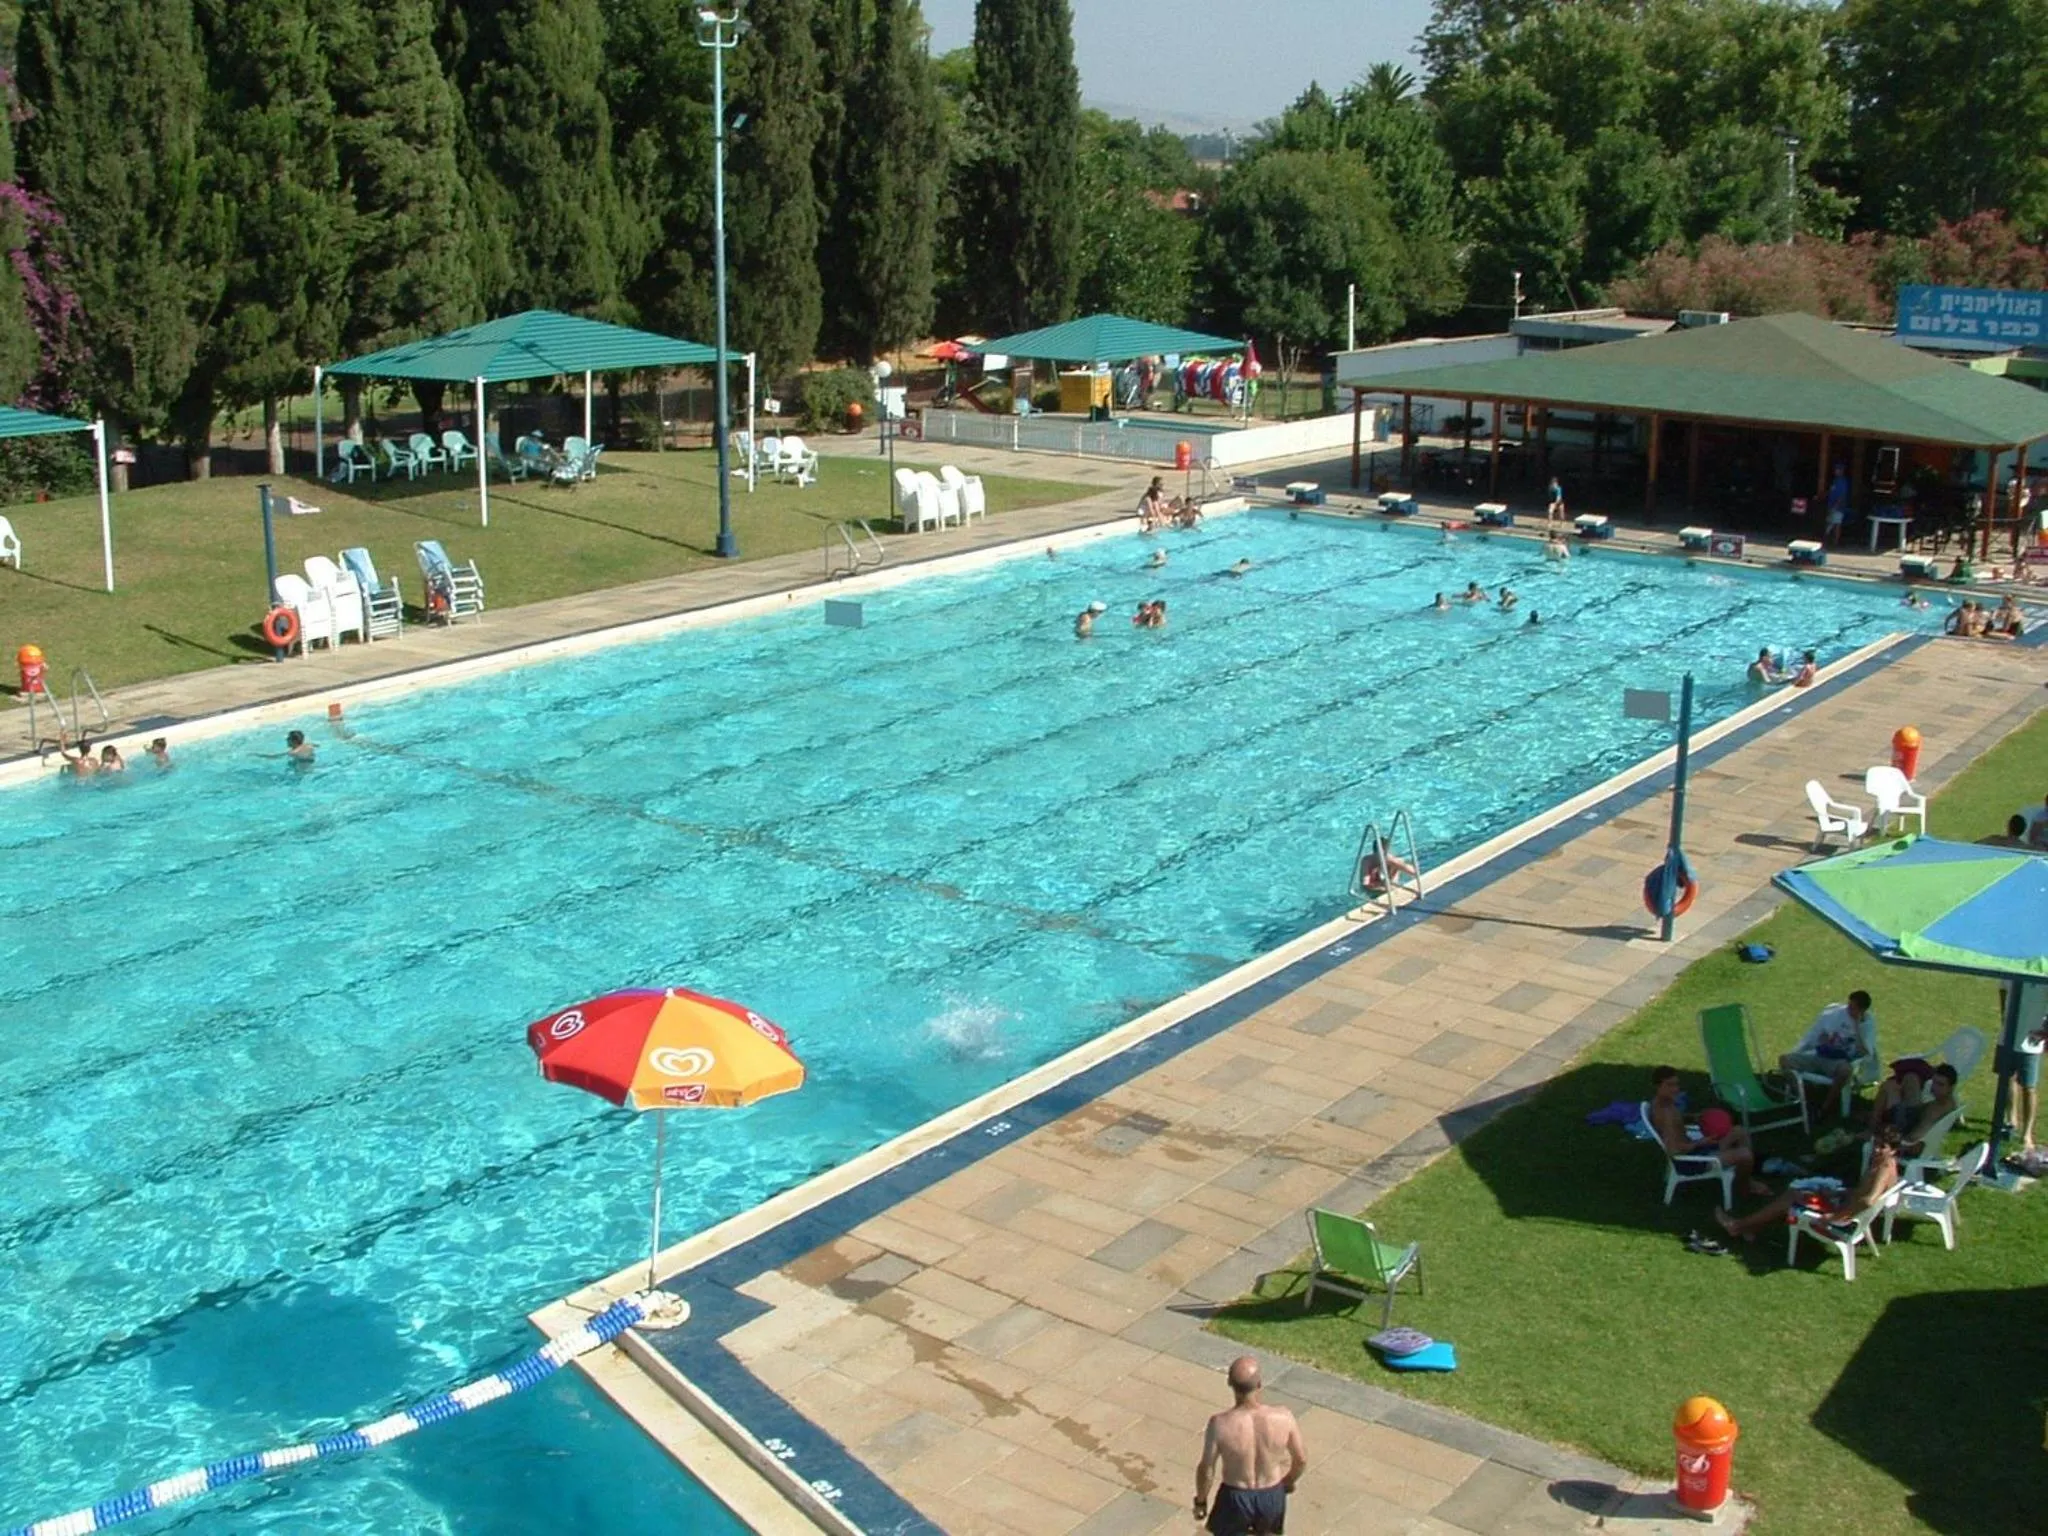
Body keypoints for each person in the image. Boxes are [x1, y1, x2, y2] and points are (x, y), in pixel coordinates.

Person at [1716, 1126, 1902, 1243]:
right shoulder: (1886, 1164)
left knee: (1792, 1198)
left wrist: (1833, 1216)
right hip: (1848, 1210)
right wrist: (1840, 1192)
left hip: (1843, 1221)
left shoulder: (1883, 1168)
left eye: (1882, 1147)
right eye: (1876, 1144)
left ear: (1893, 1150)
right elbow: (1863, 1194)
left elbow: (1868, 1201)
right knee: (1800, 1193)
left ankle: (1738, 1226)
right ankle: (1751, 1228)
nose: (1877, 1149)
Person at [1194, 1356, 1305, 1536]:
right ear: (1259, 1384)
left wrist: (1201, 1501)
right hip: (1271, 1494)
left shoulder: (1220, 1424)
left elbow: (1207, 1468)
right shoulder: (1284, 1417)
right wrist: (1288, 1481)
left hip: (1235, 1496)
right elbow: (1301, 1459)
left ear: (1229, 1383)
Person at [1648, 1066, 1770, 1196]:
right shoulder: (1664, 1114)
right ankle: (1743, 1187)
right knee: (1745, 1155)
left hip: (1695, 1150)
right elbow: (1674, 1151)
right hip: (1690, 1162)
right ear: (1658, 1086)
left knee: (1740, 1131)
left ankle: (1745, 1178)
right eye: (1670, 1085)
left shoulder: (1664, 1103)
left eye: (1677, 1084)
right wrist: (1700, 1142)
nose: (1676, 1089)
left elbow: (1675, 1123)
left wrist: (1693, 1117)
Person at [1779, 990, 1877, 1120]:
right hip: (1820, 1054)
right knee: (1784, 1060)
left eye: (1853, 1008)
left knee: (1846, 1071)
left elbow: (1864, 1053)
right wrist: (1822, 1040)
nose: (1849, 1010)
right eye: (1849, 1005)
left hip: (1838, 1061)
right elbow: (1816, 1035)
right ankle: (1805, 1100)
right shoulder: (1836, 1014)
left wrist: (1857, 1027)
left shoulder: (1867, 1024)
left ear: (1862, 1010)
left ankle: (1825, 1106)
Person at [1823, 462, 1850, 547]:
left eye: (1838, 469)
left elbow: (1842, 495)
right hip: (1831, 505)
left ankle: (1835, 542)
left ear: (1842, 471)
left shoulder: (1842, 482)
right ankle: (1828, 540)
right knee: (1830, 523)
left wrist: (1836, 505)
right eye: (1835, 469)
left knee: (1837, 524)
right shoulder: (1835, 481)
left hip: (1838, 507)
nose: (1836, 471)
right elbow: (1831, 491)